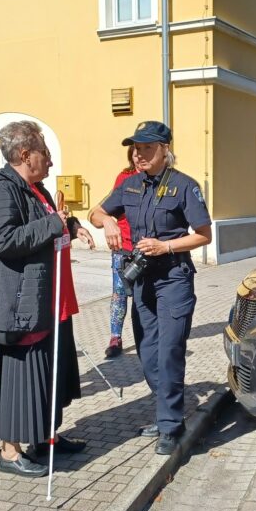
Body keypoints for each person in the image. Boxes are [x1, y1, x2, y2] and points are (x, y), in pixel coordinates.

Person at [0, 120, 95, 477]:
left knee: (52, 373)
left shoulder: (37, 189)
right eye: (45, 155)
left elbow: (52, 220)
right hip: (20, 305)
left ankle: (45, 438)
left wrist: (72, 226)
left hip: (50, 301)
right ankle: (9, 452)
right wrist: (55, 226)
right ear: (25, 155)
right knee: (22, 377)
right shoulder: (2, 190)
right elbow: (3, 240)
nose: (51, 163)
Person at [89, 121, 212, 456]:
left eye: (145, 147)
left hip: (173, 279)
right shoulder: (129, 185)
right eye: (135, 147)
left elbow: (204, 234)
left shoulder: (185, 186)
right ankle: (166, 413)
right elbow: (95, 213)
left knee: (170, 351)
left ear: (164, 150)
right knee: (147, 353)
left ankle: (171, 425)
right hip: (141, 279)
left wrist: (166, 247)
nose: (137, 153)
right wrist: (110, 221)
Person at [105, 147, 137, 358]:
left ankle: (148, 338)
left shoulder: (163, 179)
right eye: (135, 152)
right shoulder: (124, 178)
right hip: (123, 247)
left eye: (145, 150)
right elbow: (108, 209)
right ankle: (115, 338)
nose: (139, 155)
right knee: (119, 294)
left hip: (150, 249)